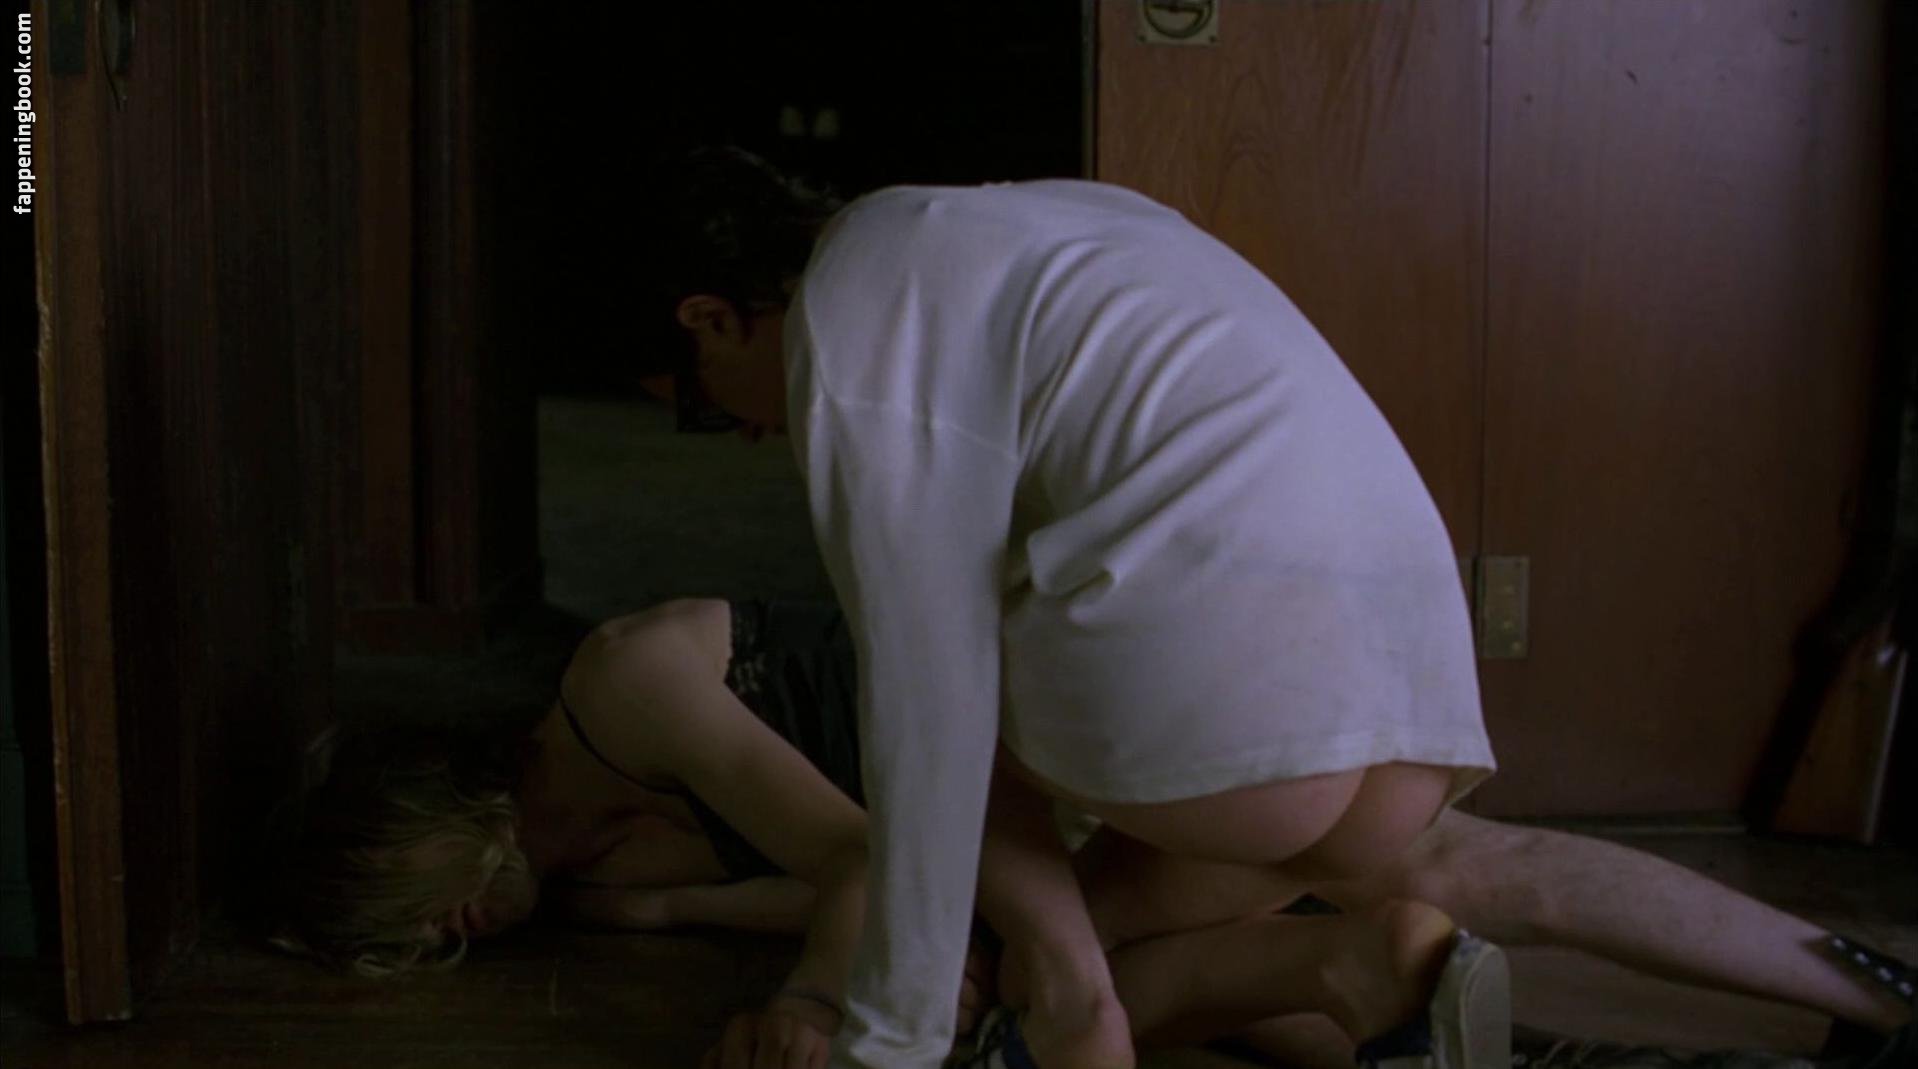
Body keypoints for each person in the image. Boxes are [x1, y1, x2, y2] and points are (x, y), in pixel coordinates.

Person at [657, 146, 1510, 1069]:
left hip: (1249, 708)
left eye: (699, 407)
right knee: (1045, 924)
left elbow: (929, 698)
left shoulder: (845, 319)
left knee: (948, 644)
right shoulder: (1052, 219)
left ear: (711, 319)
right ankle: (1343, 978)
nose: (744, 434)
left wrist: (892, 1036)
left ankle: (1069, 1008)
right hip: (1414, 729)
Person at [270, 598, 1914, 1069]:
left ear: (413, 822)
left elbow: (872, 863)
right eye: (416, 951)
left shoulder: (624, 679)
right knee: (1385, 902)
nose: (443, 940)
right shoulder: (592, 873)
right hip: (1043, 833)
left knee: (1424, 871)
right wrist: (677, 919)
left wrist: (779, 980)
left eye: (408, 908)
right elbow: (865, 876)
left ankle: (1863, 986)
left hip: (1087, 753)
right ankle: (1431, 997)